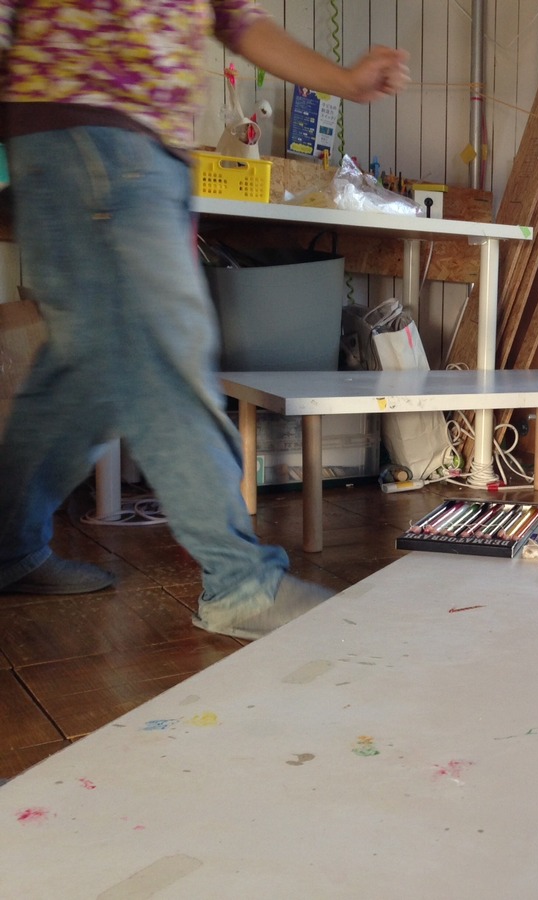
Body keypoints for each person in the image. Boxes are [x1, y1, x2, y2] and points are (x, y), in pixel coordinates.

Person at [0, 2, 410, 639]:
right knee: (166, 358)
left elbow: (237, 19)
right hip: (87, 132)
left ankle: (8, 547)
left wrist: (346, 82)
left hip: (128, 149)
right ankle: (241, 584)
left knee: (82, 378)